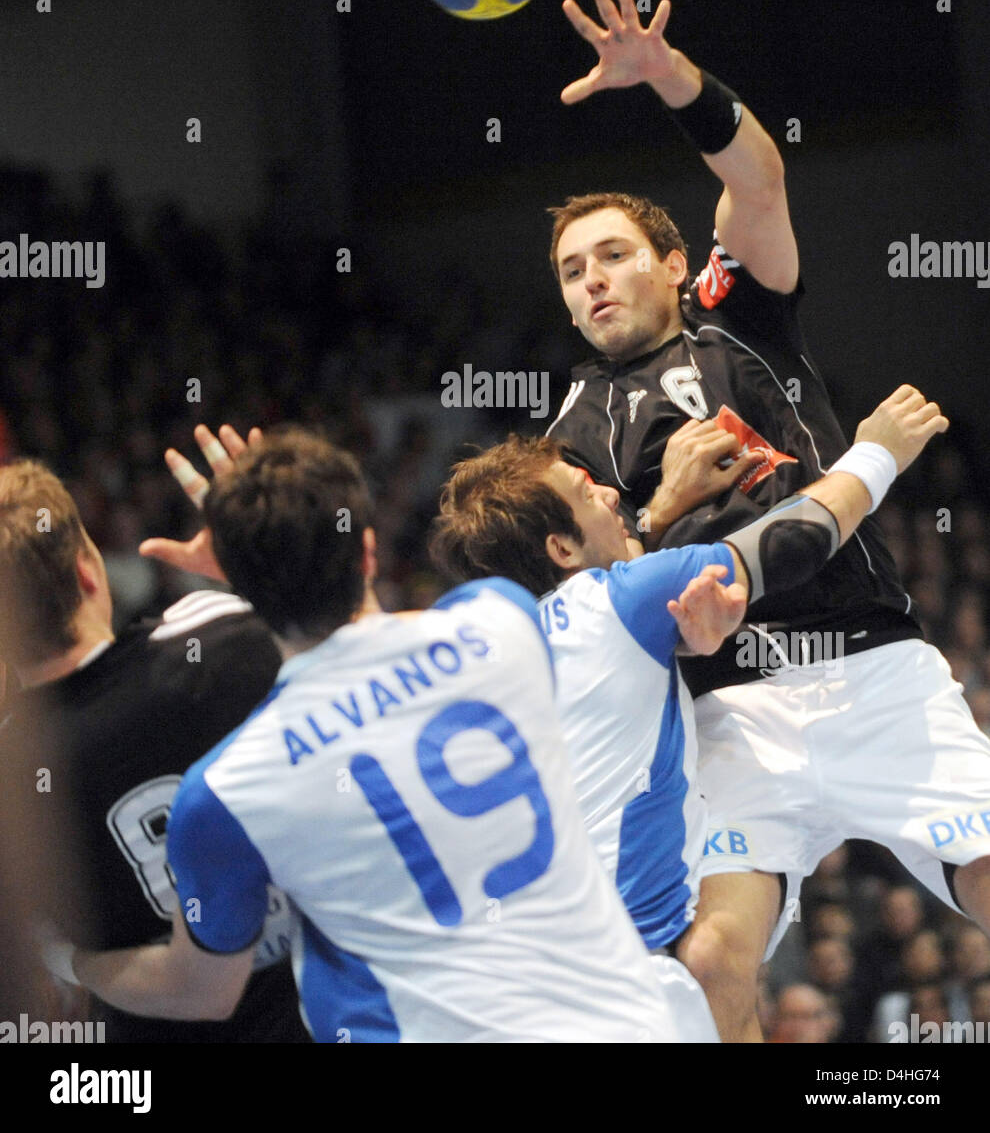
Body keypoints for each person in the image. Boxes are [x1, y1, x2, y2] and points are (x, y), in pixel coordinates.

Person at [542, 0, 990, 1041]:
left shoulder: (737, 315)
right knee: (706, 966)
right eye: (570, 271)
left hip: (876, 669)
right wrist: (668, 501)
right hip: (730, 710)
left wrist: (668, 77)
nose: (592, 282)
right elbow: (585, 597)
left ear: (674, 262)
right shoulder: (566, 435)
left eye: (611, 255)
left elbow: (759, 174)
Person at [60, 429, 702, 1043]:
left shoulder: (225, 790)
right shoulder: (499, 620)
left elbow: (197, 990)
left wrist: (72, 960)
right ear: (367, 550)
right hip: (627, 1017)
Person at [429, 385, 941, 1041]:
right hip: (618, 993)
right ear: (560, 550)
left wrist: (662, 514)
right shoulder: (621, 602)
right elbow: (793, 538)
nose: (612, 494)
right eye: (589, 496)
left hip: (493, 993)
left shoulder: (480, 653)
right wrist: (877, 453)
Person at [0, 446, 310, 1042]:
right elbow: (339, 636)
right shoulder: (227, 634)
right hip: (317, 1016)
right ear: (90, 570)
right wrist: (261, 558)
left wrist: (74, 961)